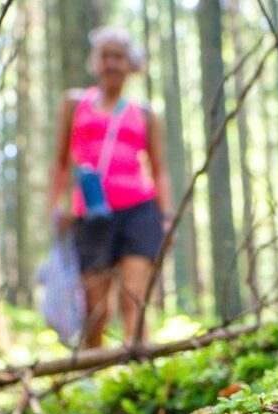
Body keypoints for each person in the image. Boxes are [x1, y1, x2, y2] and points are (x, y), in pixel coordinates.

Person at [47, 26, 173, 349]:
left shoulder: (145, 114)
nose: (112, 64)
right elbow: (60, 161)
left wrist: (167, 217)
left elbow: (159, 169)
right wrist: (56, 206)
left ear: (128, 63)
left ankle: (140, 377)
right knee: (96, 311)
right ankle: (92, 383)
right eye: (105, 56)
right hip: (90, 214)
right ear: (95, 62)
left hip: (139, 211)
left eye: (118, 57)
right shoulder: (75, 104)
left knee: (134, 299)